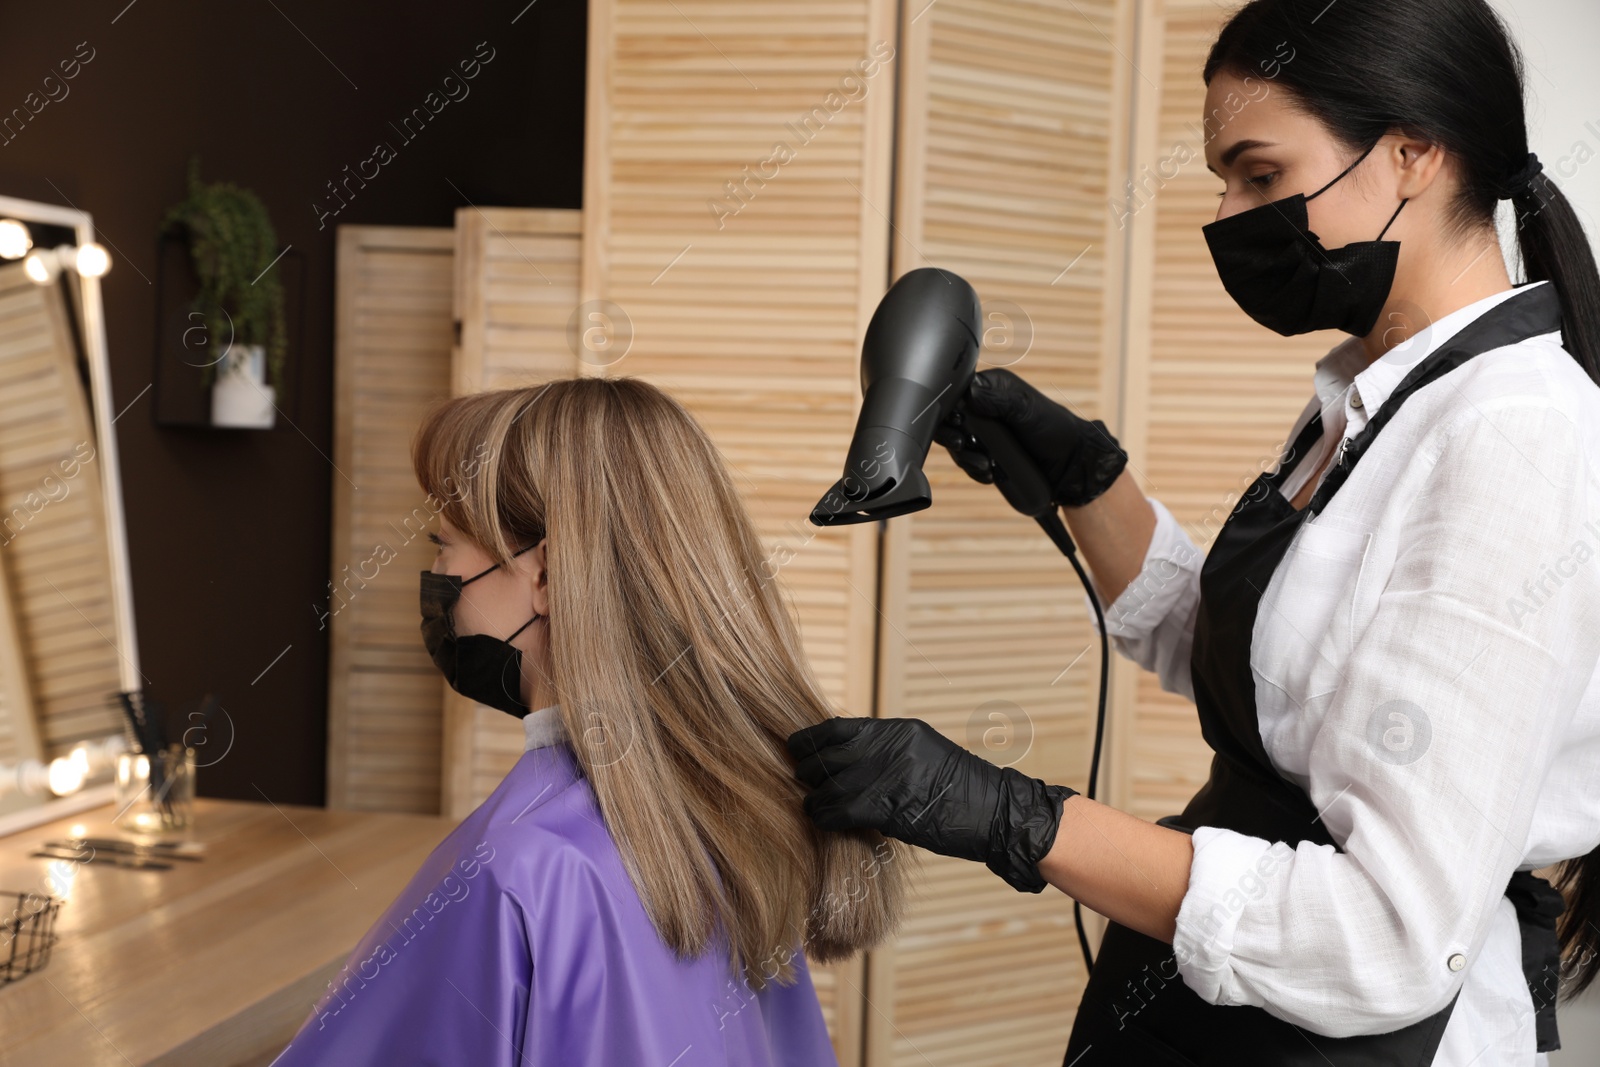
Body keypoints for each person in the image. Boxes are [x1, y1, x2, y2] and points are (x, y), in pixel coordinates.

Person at [787, 0, 1600, 1063]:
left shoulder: (1514, 442)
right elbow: (1264, 673)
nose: (1227, 213)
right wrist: (1085, 474)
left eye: (1258, 175)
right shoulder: (1371, 397)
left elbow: (1386, 934)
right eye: (1223, 179)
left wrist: (1013, 816)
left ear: (1409, 153)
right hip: (1213, 989)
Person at [272, 377, 908, 1066]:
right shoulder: (740, 825)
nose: (435, 574)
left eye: (444, 543)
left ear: (544, 575)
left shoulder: (513, 871)